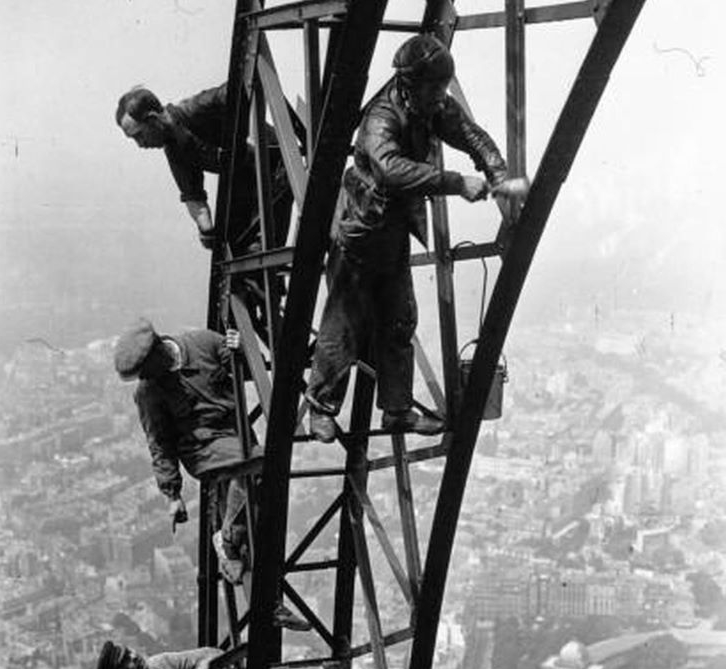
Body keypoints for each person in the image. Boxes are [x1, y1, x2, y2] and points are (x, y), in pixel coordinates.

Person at [306, 34, 525, 443]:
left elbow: (469, 134)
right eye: (436, 88)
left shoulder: (429, 103)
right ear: (412, 84)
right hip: (360, 231)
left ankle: (397, 410)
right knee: (343, 325)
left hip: (390, 230)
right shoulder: (381, 118)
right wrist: (457, 182)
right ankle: (321, 409)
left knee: (400, 318)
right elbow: (391, 170)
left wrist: (497, 173)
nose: (442, 97)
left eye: (444, 88)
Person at [113, 318, 310, 631]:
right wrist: (172, 495)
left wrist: (240, 350)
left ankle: (268, 603)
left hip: (236, 437)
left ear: (160, 351)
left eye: (146, 370)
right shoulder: (149, 392)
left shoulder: (203, 342)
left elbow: (244, 372)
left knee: (256, 520)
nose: (145, 378)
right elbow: (160, 443)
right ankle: (228, 538)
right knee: (260, 469)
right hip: (202, 450)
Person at [116, 84, 293, 336]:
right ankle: (257, 321)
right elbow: (194, 197)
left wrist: (250, 134)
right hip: (246, 182)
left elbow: (245, 86)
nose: (140, 145)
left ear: (153, 119)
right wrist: (206, 230)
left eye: (138, 136)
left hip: (275, 167)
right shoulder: (174, 150)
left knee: (255, 254)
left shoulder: (197, 108)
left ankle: (275, 322)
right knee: (237, 260)